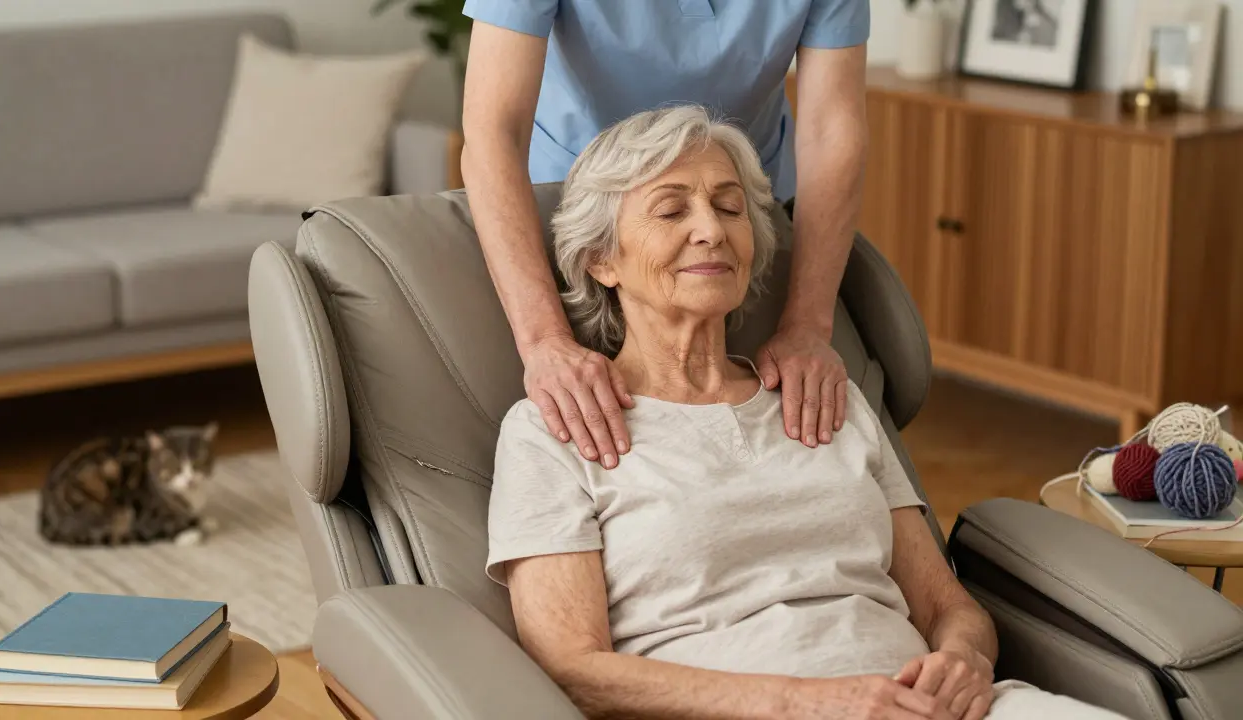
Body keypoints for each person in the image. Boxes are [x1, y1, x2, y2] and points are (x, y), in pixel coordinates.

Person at [486, 106, 1129, 720]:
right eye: (671, 209)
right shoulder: (553, 431)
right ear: (601, 258)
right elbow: (574, 670)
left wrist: (963, 660)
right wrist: (807, 702)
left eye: (730, 206)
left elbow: (947, 606)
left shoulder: (824, 394)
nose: (711, 228)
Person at [461, 0, 869, 469]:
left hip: (747, 203)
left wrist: (807, 326)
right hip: (588, 208)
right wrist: (544, 340)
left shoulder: (722, 222)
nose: (706, 231)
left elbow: (832, 132)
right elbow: (494, 133)